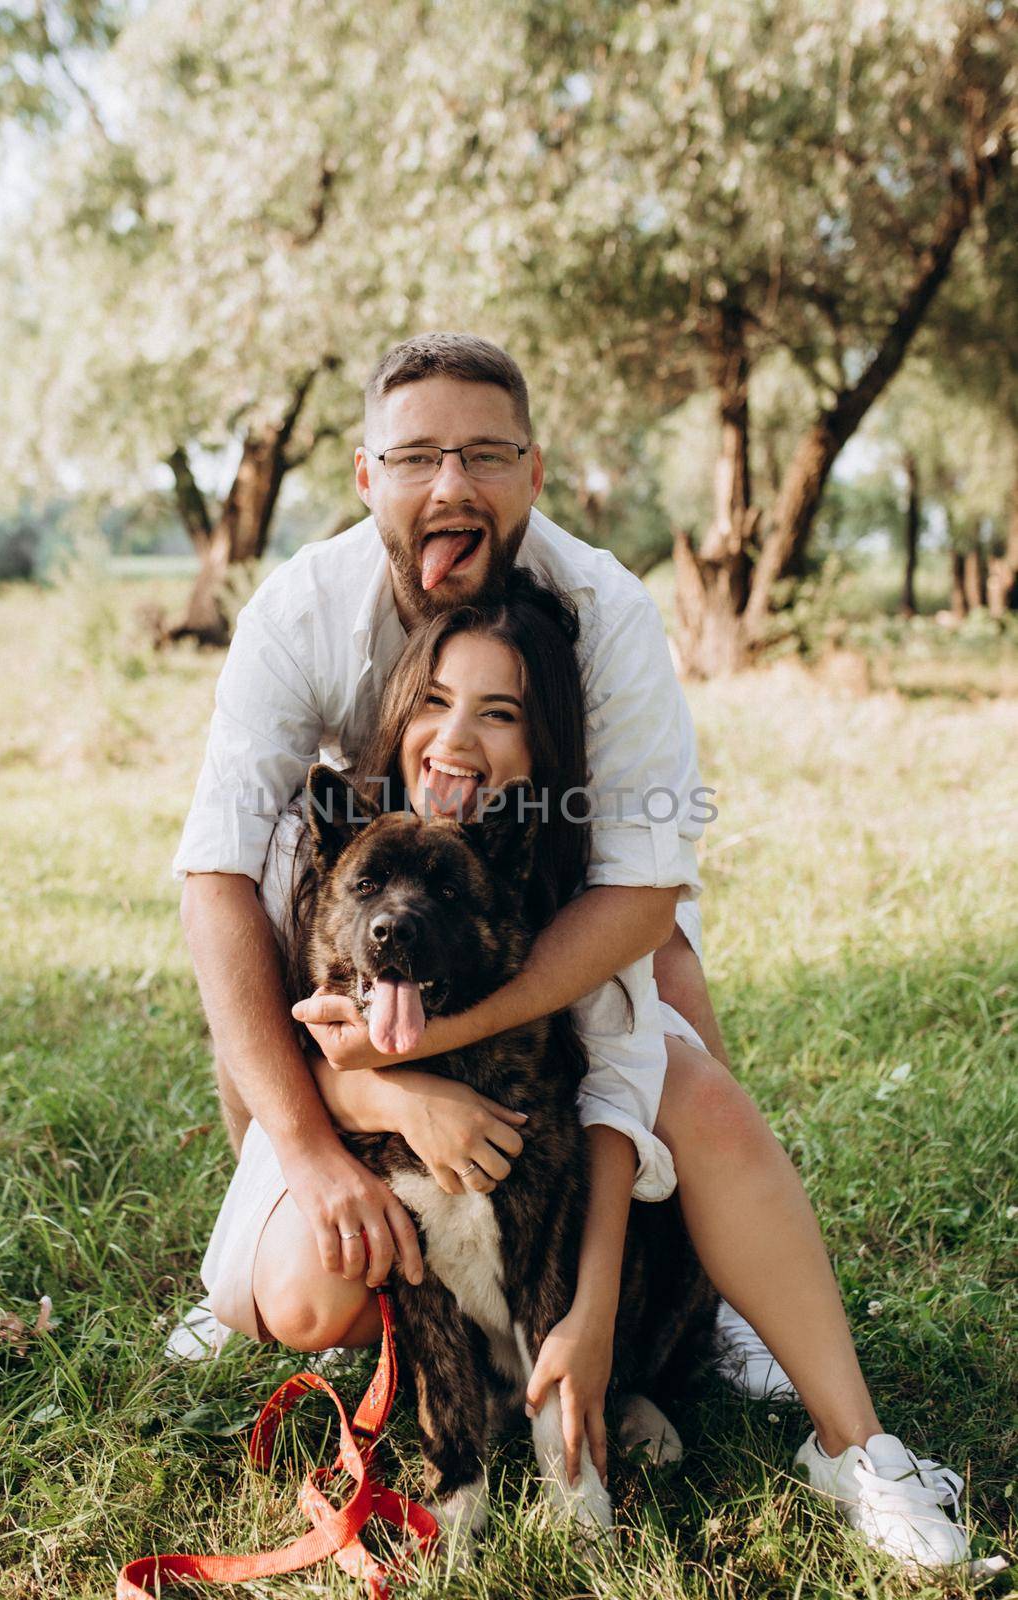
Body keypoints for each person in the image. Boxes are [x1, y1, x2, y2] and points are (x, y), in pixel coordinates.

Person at [174, 333, 970, 1569]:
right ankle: (341, 1250)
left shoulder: (599, 610)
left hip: (562, 931)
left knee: (677, 1065)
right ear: (364, 471)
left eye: (486, 454)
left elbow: (646, 896)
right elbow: (217, 881)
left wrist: (444, 1057)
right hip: (365, 975)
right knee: (298, 1282)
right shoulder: (301, 615)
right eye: (420, 455)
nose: (453, 484)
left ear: (534, 469)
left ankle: (850, 1435)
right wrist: (336, 1125)